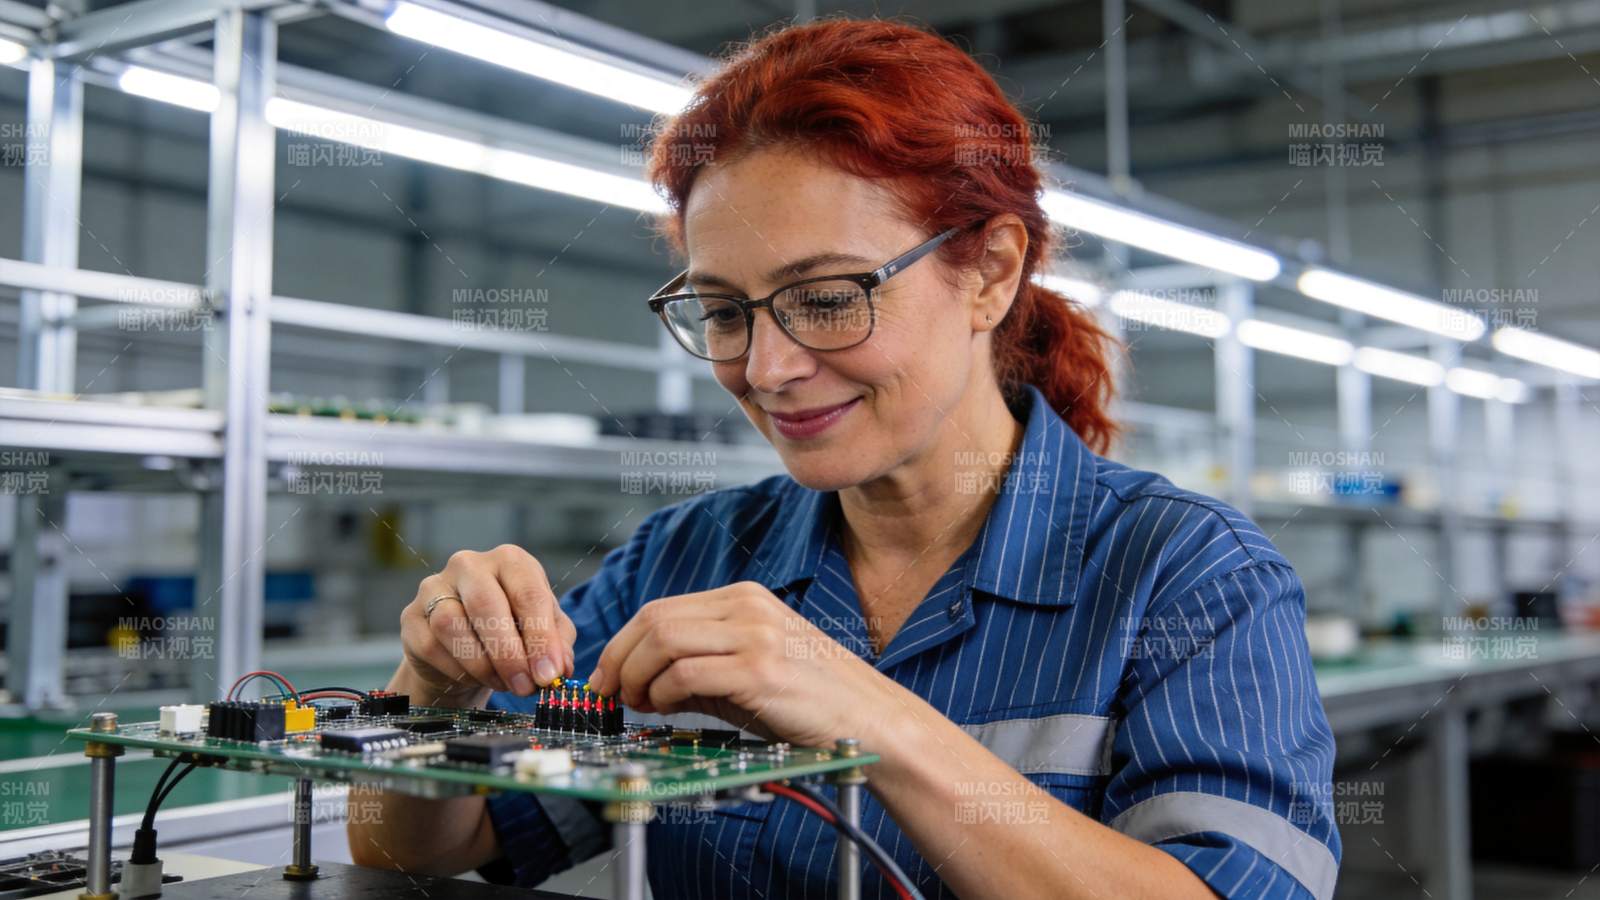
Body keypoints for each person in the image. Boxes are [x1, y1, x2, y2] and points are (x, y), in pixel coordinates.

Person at [348, 17, 1341, 900]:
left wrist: (873, 719)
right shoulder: (682, 560)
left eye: (826, 297)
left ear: (990, 272)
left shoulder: (1189, 578)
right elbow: (415, 853)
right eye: (727, 312)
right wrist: (433, 693)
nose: (769, 368)